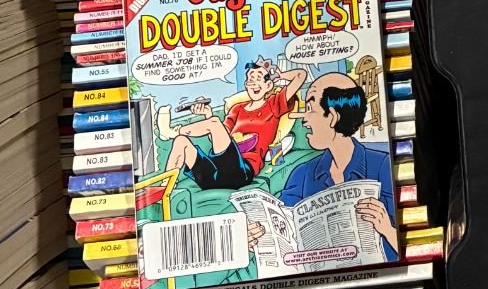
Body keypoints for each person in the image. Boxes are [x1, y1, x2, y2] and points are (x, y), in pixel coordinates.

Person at [246, 71, 398, 260]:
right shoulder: (302, 174)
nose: (304, 119)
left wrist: (387, 229)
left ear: (332, 117)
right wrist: (258, 236)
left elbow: (409, 242)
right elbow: (281, 228)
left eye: (310, 108)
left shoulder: (383, 165)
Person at [163, 56, 307, 192]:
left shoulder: (273, 104)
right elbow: (219, 137)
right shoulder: (237, 109)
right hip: (214, 173)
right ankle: (165, 187)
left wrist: (280, 75)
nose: (253, 83)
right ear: (246, 84)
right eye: (250, 78)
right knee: (181, 142)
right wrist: (208, 115)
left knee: (213, 123)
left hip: (241, 172)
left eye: (258, 78)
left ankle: (172, 131)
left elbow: (301, 75)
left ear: (268, 85)